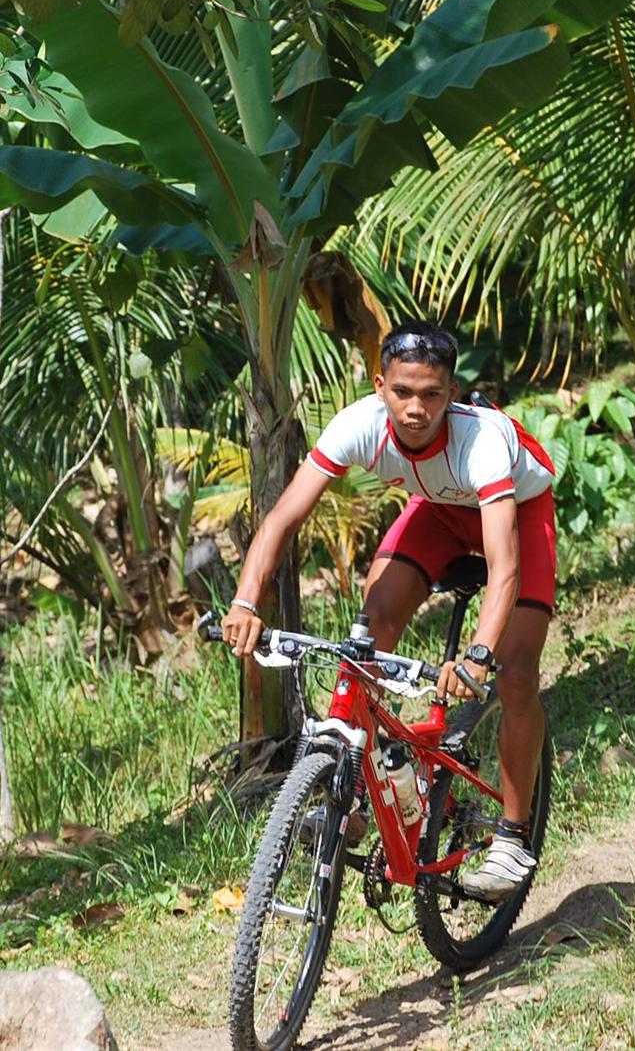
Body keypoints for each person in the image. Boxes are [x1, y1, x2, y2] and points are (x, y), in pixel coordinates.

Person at [220, 320, 556, 900]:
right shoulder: (358, 425)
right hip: (440, 514)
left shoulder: (483, 440)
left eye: (431, 394)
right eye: (403, 392)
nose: (416, 408)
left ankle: (512, 837)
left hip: (517, 516)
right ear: (380, 385)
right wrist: (246, 600)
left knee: (517, 673)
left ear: (451, 394)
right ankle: (349, 795)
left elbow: (504, 566)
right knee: (367, 637)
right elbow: (280, 520)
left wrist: (478, 657)